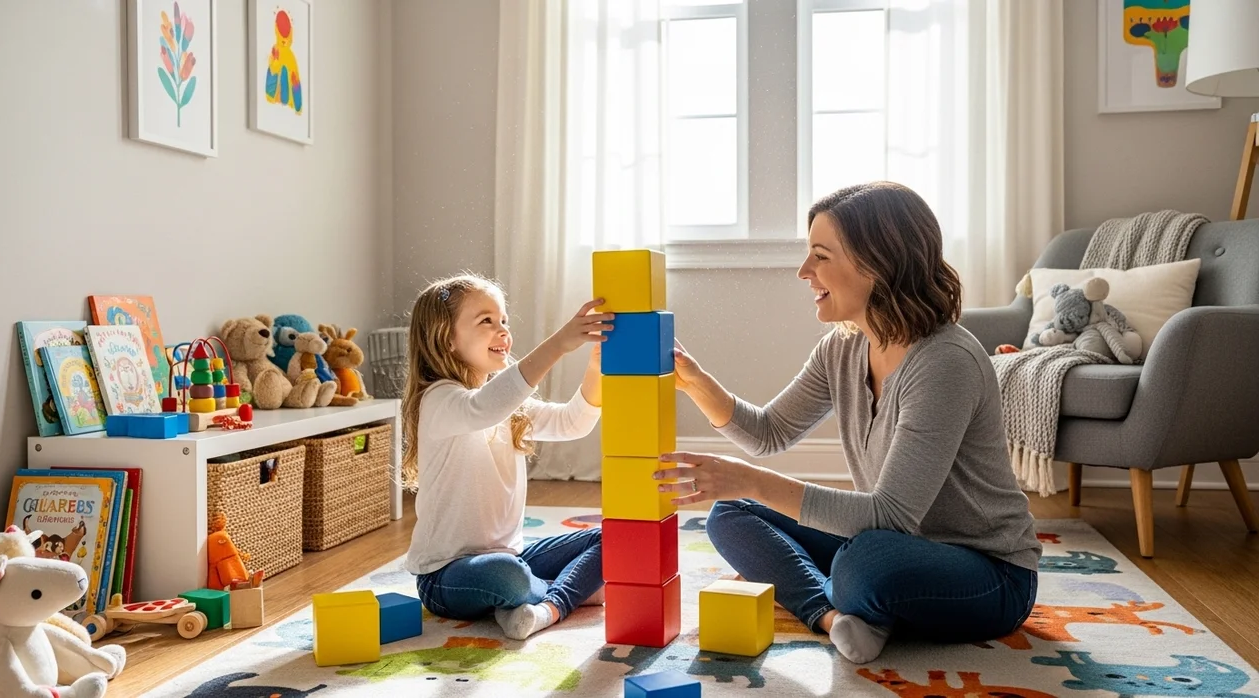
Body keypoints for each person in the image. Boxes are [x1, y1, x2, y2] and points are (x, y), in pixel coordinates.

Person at [655, 181, 1041, 664]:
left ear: (877, 263)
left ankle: (848, 595)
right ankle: (835, 618)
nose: (804, 272)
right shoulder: (842, 348)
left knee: (864, 562)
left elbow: (890, 516)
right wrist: (695, 382)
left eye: (820, 256)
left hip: (989, 574)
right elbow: (769, 433)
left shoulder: (945, 360)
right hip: (892, 544)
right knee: (733, 510)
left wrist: (750, 478)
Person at [402, 274, 613, 640]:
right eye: (486, 321)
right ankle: (567, 590)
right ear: (447, 339)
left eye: (504, 321)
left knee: (615, 537)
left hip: (512, 558)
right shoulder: (439, 400)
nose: (502, 331)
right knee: (506, 575)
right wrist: (559, 344)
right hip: (446, 577)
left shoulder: (508, 407)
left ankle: (547, 607)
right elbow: (484, 407)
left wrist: (596, 367)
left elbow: (571, 422)